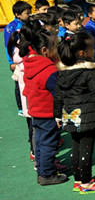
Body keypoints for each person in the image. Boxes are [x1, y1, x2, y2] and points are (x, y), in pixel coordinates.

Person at [54, 32, 95, 194]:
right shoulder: (90, 71)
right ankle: (86, 182)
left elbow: (58, 95)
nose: (94, 51)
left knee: (76, 146)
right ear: (82, 53)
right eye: (92, 48)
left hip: (70, 115)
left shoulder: (63, 71)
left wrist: (57, 115)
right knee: (86, 148)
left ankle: (78, 180)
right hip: (87, 116)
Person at [22, 29, 68, 185]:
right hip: (48, 113)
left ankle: (43, 168)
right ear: (44, 50)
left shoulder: (30, 65)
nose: (57, 49)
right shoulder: (49, 70)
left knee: (41, 143)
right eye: (55, 46)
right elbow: (59, 94)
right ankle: (46, 174)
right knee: (49, 143)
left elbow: (27, 90)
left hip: (36, 111)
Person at [4, 0, 31, 115]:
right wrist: (11, 62)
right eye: (27, 13)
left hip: (27, 58)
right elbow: (8, 45)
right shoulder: (11, 27)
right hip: (17, 60)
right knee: (18, 82)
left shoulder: (28, 24)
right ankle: (20, 107)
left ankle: (28, 103)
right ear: (17, 15)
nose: (29, 15)